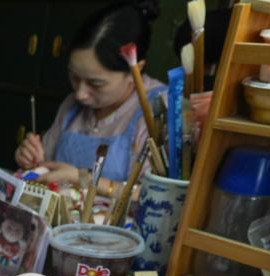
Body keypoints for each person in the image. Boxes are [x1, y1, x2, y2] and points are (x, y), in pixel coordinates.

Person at [14, 0, 165, 194]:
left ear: (135, 70)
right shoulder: (72, 106)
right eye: (75, 77)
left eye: (96, 83)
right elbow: (46, 168)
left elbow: (156, 195)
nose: (80, 94)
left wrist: (81, 178)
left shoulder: (158, 110)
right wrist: (32, 160)